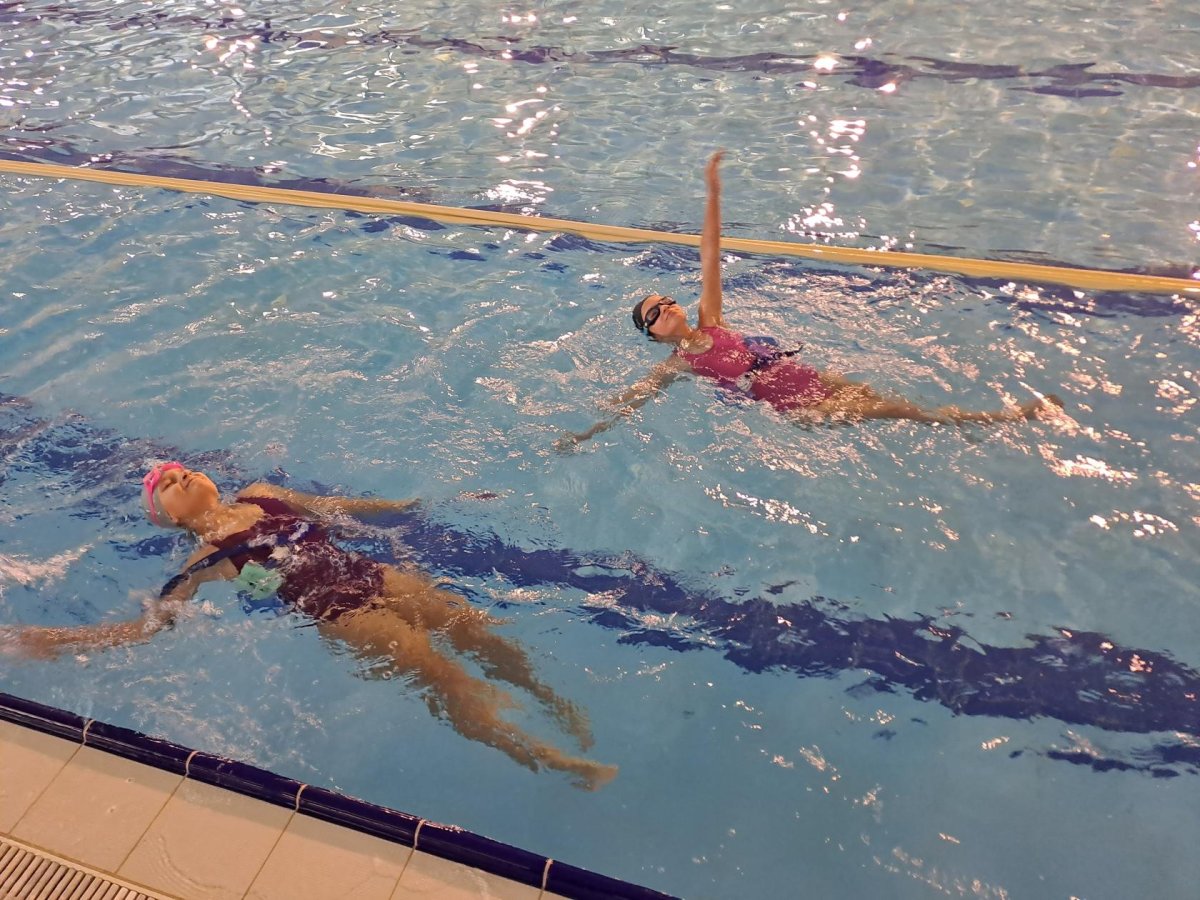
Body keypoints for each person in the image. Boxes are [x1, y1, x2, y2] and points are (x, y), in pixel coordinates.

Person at [6, 462, 617, 790]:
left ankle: (549, 700)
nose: (176, 475)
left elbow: (335, 509)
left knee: (475, 629)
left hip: (377, 576)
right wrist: (60, 640)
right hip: (346, 617)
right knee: (444, 675)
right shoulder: (206, 561)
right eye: (164, 485)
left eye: (178, 469)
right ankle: (545, 757)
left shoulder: (261, 493)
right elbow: (150, 627)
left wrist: (409, 506)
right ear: (165, 518)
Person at [558, 151, 1060, 448]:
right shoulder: (677, 364)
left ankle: (966, 426)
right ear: (651, 334)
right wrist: (585, 433)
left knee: (886, 400)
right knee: (899, 410)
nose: (667, 307)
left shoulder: (711, 320)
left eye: (666, 300)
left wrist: (712, 194)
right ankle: (997, 421)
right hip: (793, 403)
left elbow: (710, 255)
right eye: (654, 312)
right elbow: (634, 402)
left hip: (804, 375)